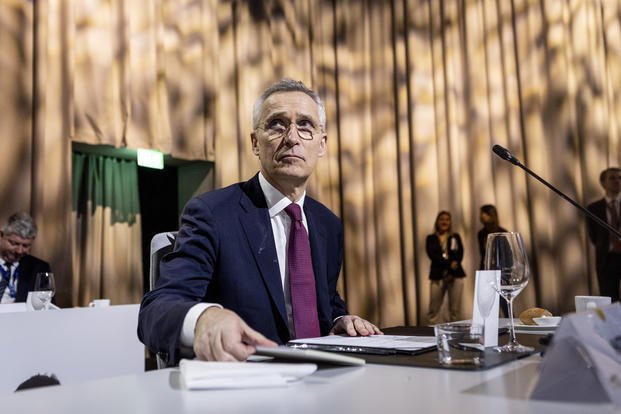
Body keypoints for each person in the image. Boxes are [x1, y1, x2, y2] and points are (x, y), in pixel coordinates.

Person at [138, 79, 382, 366]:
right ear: (255, 142)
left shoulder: (328, 225)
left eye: (305, 125)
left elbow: (326, 301)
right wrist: (205, 318)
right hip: (250, 380)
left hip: (324, 375)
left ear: (321, 144)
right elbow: (156, 310)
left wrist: (340, 319)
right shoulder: (212, 214)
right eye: (277, 125)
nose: (292, 138)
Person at [0, 212, 52, 304]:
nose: (19, 251)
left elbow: (46, 306)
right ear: (1, 235)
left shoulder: (39, 268)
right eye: (14, 243)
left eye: (25, 246)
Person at [587, 167, 621, 302]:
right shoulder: (593, 208)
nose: (617, 181)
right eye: (612, 178)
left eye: (620, 178)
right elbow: (593, 236)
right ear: (603, 183)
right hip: (606, 260)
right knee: (609, 301)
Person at [426, 211, 466, 324]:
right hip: (437, 275)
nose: (444, 222)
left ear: (450, 222)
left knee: (455, 310)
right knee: (433, 309)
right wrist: (449, 264)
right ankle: (432, 332)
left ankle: (455, 333)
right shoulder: (431, 238)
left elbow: (459, 254)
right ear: (437, 222)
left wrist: (453, 264)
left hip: (455, 275)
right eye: (442, 219)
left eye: (447, 219)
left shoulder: (455, 237)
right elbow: (433, 255)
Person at [477, 204, 508, 270]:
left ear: (491, 214)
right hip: (485, 268)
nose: (482, 216)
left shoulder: (502, 232)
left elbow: (506, 254)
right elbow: (483, 254)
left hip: (501, 268)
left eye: (484, 213)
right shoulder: (481, 233)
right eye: (481, 213)